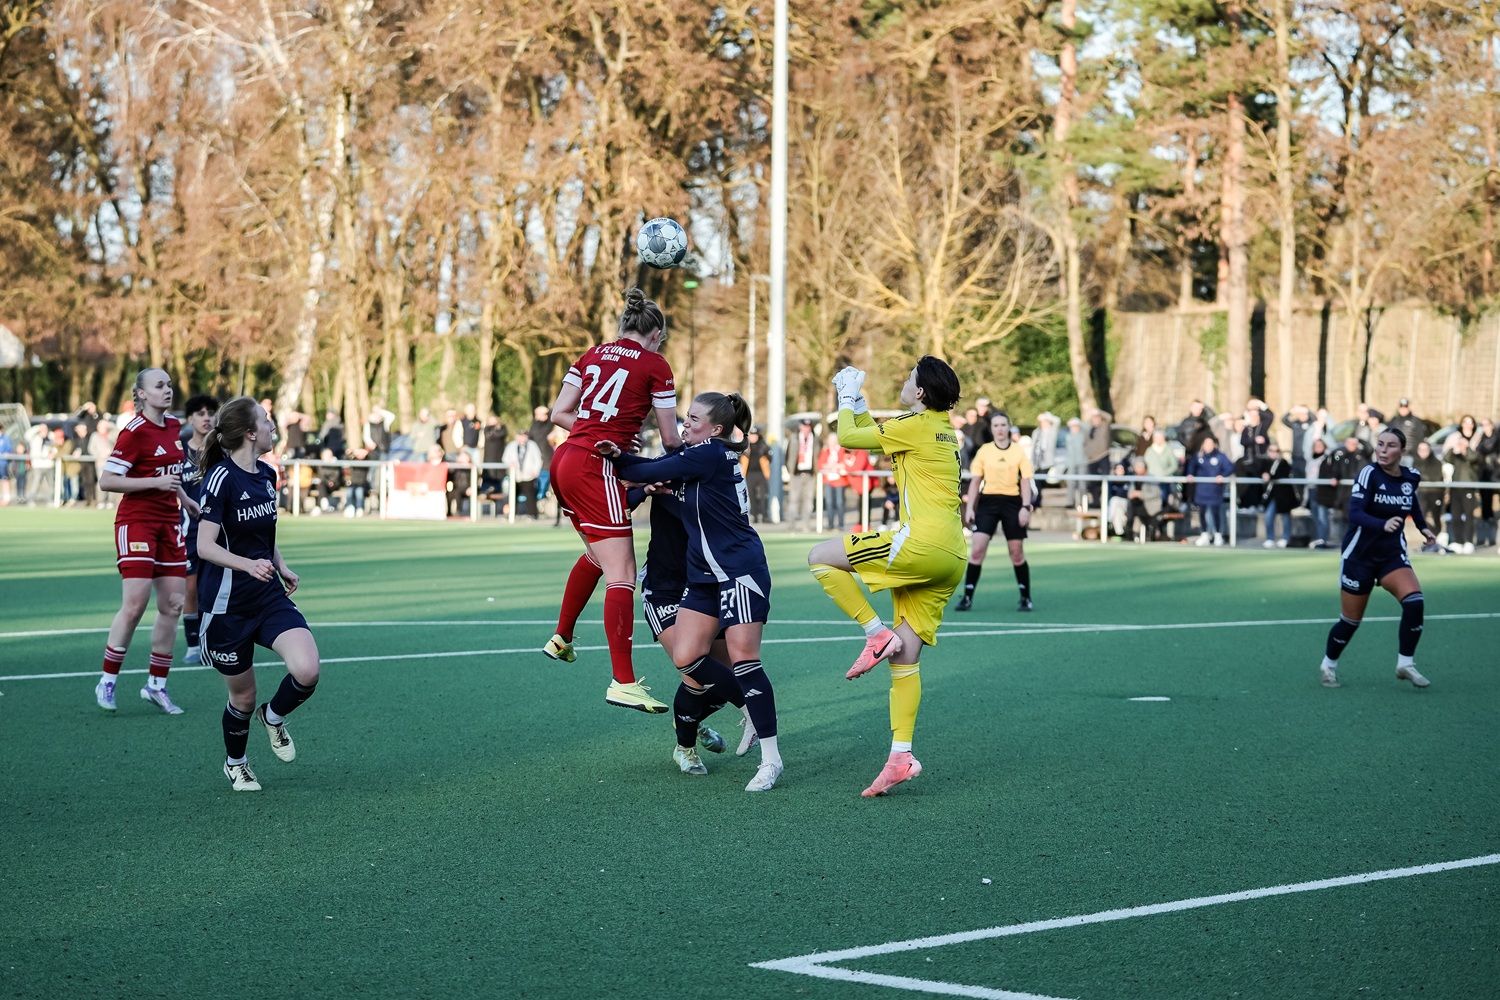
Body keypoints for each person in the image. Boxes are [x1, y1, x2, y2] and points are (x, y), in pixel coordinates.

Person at [600, 392, 782, 791]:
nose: (684, 424)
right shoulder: (694, 460)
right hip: (690, 581)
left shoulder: (709, 455)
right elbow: (641, 479)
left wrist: (626, 464)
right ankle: (739, 713)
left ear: (715, 429)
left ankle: (768, 757)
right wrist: (622, 463)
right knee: (690, 660)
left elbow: (653, 469)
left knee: (738, 665)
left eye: (693, 419)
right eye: (685, 417)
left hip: (736, 570)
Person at [807, 357, 966, 798]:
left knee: (820, 557)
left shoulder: (914, 426)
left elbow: (848, 437)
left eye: (909, 378)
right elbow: (870, 433)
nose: (904, 382)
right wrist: (857, 398)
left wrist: (843, 397)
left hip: (921, 543)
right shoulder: (937, 426)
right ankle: (901, 756)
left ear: (920, 392)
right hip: (952, 554)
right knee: (906, 659)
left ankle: (874, 631)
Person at [542, 286, 682, 714]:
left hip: (564, 459)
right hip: (593, 466)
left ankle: (562, 636)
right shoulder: (656, 365)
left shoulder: (592, 353)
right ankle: (622, 680)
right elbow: (673, 438)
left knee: (598, 556)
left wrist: (606, 432)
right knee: (622, 572)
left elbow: (560, 414)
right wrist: (673, 465)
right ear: (655, 334)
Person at [195, 397, 322, 791]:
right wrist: (248, 564)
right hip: (226, 607)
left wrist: (278, 563)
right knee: (243, 697)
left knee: (307, 669)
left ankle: (275, 716)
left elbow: (263, 535)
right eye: (266, 421)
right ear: (250, 433)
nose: (272, 427)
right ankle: (237, 763)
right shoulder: (219, 479)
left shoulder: (267, 475)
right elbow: (205, 546)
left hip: (267, 596)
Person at [94, 369, 197, 715]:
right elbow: (107, 480)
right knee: (135, 605)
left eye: (169, 384)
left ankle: (157, 685)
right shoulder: (133, 432)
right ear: (141, 394)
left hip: (169, 524)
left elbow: (170, 476)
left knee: (172, 605)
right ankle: (108, 679)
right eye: (159, 385)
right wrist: (154, 485)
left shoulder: (173, 428)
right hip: (136, 523)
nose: (167, 390)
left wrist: (185, 498)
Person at [1319, 428, 1435, 690]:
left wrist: (1422, 526)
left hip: (1391, 556)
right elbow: (1355, 513)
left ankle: (1405, 663)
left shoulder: (1411, 477)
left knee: (1415, 602)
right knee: (1350, 621)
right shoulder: (1368, 474)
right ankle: (1329, 664)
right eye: (1380, 444)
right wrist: (1382, 524)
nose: (1383, 450)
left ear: (1402, 450)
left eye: (1390, 445)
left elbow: (1410, 502)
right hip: (1359, 557)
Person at [956, 411, 1035, 612]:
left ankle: (1025, 597)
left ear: (1008, 428)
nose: (1000, 429)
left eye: (1003, 425)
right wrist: (970, 509)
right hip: (988, 503)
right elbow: (975, 482)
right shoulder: (984, 451)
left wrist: (1025, 507)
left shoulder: (1018, 451)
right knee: (977, 550)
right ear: (991, 429)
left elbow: (1025, 481)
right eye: (996, 426)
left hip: (1013, 503)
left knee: (1016, 552)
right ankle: (967, 597)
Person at [179, 394, 219, 664]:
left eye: (210, 413)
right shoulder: (178, 450)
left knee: (212, 588)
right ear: (190, 418)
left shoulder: (221, 450)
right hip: (186, 532)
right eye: (200, 413)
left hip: (215, 531)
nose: (206, 417)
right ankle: (193, 645)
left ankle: (211, 642)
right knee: (190, 589)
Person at [1185, 434, 1233, 546]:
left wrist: (1222, 475)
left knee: (1215, 512)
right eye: (1206, 444)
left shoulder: (1220, 456)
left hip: (1215, 490)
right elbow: (1191, 466)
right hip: (1201, 489)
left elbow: (1230, 467)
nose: (1208, 446)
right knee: (1202, 512)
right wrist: (1190, 474)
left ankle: (1217, 535)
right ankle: (1204, 534)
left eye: (1210, 444)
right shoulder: (1199, 456)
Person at [1260, 442, 1296, 547]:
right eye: (1271, 450)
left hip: (1283, 495)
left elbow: (1282, 473)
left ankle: (1286, 538)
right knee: (1268, 516)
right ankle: (1270, 538)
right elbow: (1259, 470)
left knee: (1285, 517)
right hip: (1271, 495)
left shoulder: (1283, 462)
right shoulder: (1265, 462)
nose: (1273, 453)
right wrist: (1263, 474)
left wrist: (1270, 476)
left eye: (1276, 451)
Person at [501, 432, 544, 518]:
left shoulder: (532, 445)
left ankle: (532, 515)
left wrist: (536, 471)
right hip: (515, 476)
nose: (522, 438)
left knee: (530, 496)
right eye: (520, 436)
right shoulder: (511, 446)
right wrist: (510, 464)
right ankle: (511, 514)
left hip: (528, 476)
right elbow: (505, 458)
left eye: (524, 436)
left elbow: (538, 459)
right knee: (512, 496)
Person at [787, 417, 818, 528]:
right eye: (804, 427)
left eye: (808, 427)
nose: (806, 429)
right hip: (796, 473)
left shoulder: (814, 438)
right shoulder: (794, 438)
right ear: (800, 427)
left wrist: (816, 470)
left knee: (808, 500)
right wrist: (790, 469)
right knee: (794, 499)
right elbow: (788, 455)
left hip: (810, 473)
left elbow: (817, 455)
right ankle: (791, 524)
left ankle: (806, 524)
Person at [1306, 438, 1334, 548]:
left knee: (1323, 516)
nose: (1318, 447)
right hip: (1312, 489)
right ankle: (1318, 539)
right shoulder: (1310, 459)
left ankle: (1323, 540)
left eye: (1320, 445)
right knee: (1316, 516)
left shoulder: (1327, 459)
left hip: (1322, 490)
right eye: (1316, 445)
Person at [818, 431, 847, 530]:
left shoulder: (842, 451)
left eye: (834, 440)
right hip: (828, 481)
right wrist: (832, 466)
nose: (832, 442)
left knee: (840, 502)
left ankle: (841, 524)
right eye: (830, 440)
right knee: (829, 502)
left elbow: (845, 463)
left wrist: (834, 466)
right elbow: (821, 464)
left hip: (840, 481)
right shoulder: (825, 451)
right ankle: (830, 525)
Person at [742, 426, 771, 523]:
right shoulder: (746, 446)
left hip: (762, 473)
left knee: (763, 495)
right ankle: (754, 515)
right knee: (752, 495)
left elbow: (770, 458)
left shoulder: (763, 445)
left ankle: (764, 515)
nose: (753, 437)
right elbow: (739, 458)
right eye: (752, 435)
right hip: (749, 473)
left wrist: (765, 454)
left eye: (755, 435)